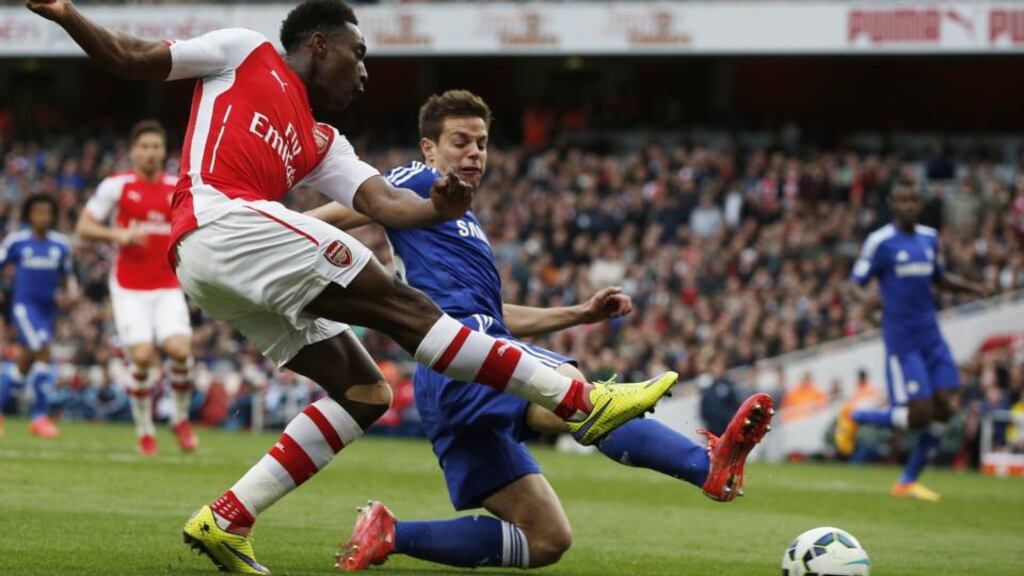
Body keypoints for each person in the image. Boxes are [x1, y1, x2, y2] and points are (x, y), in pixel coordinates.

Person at [27, 1, 674, 573]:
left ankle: (228, 518)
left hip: (218, 266)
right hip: (218, 219)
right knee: (404, 305)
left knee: (366, 391)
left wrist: (441, 208)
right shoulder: (245, 50)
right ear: (320, 44)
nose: (365, 72)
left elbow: (386, 204)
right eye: (358, 55)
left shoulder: (322, 141)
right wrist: (68, 14)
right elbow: (134, 58)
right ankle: (580, 397)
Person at [308, 90, 775, 571]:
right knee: (578, 396)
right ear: (429, 148)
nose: (473, 153)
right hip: (464, 355)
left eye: (482, 144)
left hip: (454, 370)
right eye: (460, 142)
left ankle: (389, 534)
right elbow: (350, 207)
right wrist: (278, 228)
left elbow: (496, 313)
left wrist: (578, 314)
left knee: (547, 538)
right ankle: (706, 467)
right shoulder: (415, 177)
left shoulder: (456, 222)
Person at [839, 180, 988, 502]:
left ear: (919, 204)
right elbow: (854, 283)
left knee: (945, 410)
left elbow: (939, 277)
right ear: (893, 204)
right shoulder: (880, 241)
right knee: (920, 413)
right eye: (903, 200)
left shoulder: (929, 238)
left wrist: (974, 289)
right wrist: (868, 306)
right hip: (902, 340)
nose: (909, 205)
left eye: (913, 200)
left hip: (931, 335)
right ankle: (857, 415)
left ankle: (907, 481)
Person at [76, 120, 198, 456]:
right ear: (133, 151)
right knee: (142, 358)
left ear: (164, 152)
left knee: (179, 350)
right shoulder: (116, 186)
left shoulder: (177, 187)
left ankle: (180, 417)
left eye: (155, 147)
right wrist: (117, 235)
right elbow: (84, 227)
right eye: (143, 146)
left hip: (167, 284)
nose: (149, 152)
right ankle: (145, 429)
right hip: (129, 286)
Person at [0, 194, 77, 440]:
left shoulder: (60, 245)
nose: (42, 217)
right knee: (43, 352)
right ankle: (40, 417)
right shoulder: (17, 242)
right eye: (37, 212)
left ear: (53, 215)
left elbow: (68, 276)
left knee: (23, 365)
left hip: (47, 311)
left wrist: (71, 292)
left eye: (46, 212)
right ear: (29, 216)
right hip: (24, 308)